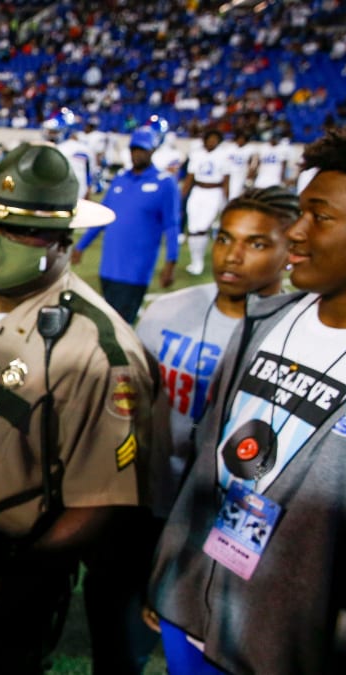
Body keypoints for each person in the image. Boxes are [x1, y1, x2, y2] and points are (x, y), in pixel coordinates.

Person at [0, 142, 163, 674]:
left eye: (18, 229)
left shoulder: (98, 351)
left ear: (60, 238)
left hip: (2, 569)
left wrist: (16, 577)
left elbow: (103, 500)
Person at [148, 126, 346, 674]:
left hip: (286, 642)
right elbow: (206, 467)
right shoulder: (266, 319)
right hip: (192, 608)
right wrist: (171, 571)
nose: (299, 234)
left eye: (321, 217)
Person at [136, 186, 297, 514]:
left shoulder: (296, 334)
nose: (232, 256)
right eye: (224, 238)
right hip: (149, 493)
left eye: (256, 244)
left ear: (291, 252)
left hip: (231, 511)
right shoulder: (167, 311)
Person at [73, 126, 182, 323]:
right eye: (134, 149)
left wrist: (170, 263)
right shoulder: (121, 179)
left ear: (152, 151)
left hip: (135, 270)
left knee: (120, 325)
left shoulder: (165, 183)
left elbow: (172, 226)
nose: (137, 154)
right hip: (108, 266)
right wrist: (81, 246)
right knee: (106, 320)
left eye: (142, 149)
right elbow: (102, 217)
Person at [181, 128, 232, 275]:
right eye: (209, 139)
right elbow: (190, 177)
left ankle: (199, 262)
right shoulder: (197, 155)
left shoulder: (223, 156)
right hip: (198, 191)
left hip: (214, 192)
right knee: (193, 227)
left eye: (214, 139)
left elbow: (226, 180)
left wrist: (225, 199)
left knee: (202, 227)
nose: (211, 142)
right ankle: (194, 260)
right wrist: (183, 195)